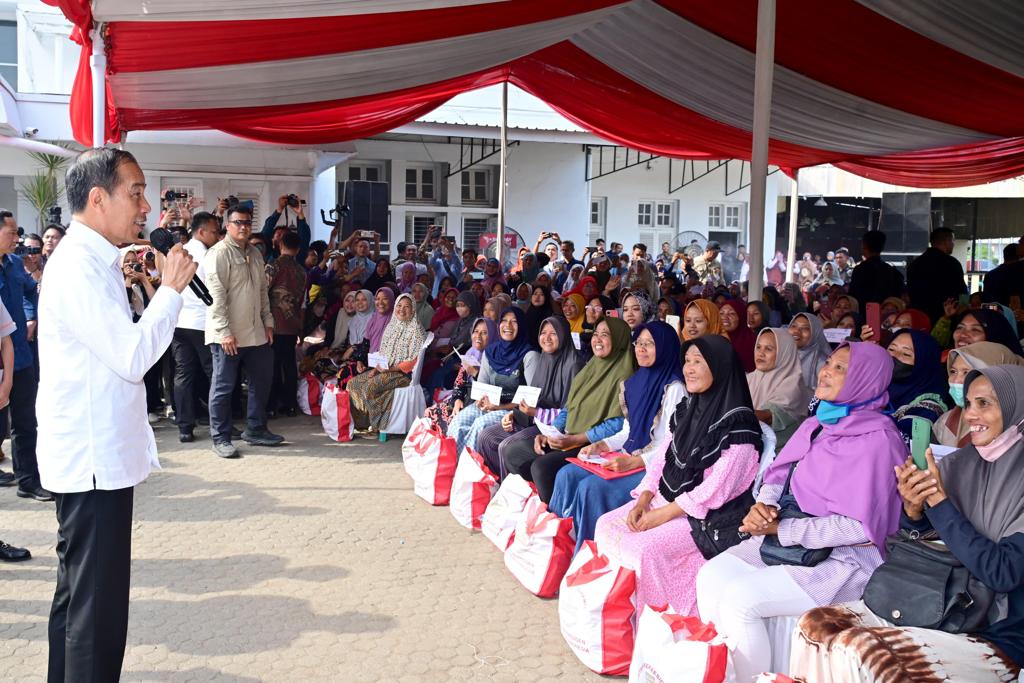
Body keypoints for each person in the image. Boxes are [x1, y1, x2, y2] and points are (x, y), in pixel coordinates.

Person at [37, 148, 197, 682]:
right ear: (97, 198)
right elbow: (132, 358)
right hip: (92, 462)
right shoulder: (78, 266)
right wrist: (170, 291)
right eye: (136, 192)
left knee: (79, 602)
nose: (146, 206)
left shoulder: (94, 261)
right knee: (96, 615)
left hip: (93, 460)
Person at [790, 364, 1024, 682]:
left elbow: (1003, 572)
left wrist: (939, 504)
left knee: (856, 649)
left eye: (985, 403)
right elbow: (918, 540)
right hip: (937, 598)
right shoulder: (960, 463)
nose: (971, 415)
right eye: (969, 403)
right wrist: (914, 511)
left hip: (996, 629)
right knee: (813, 626)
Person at [695, 342, 907, 683]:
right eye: (829, 363)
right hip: (788, 540)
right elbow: (778, 475)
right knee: (711, 576)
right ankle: (727, 672)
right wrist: (764, 507)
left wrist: (782, 529)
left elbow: (859, 529)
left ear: (865, 379)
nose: (826, 371)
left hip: (843, 560)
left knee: (741, 600)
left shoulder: (880, 441)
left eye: (841, 368)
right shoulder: (820, 423)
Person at [593, 335, 762, 615]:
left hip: (705, 518)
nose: (689, 368)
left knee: (643, 550)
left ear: (719, 368)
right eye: (687, 361)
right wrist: (643, 500)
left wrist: (660, 515)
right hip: (664, 501)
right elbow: (662, 458)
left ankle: (654, 620)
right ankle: (612, 615)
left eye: (698, 362)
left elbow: (714, 492)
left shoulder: (739, 428)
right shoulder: (688, 410)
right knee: (605, 525)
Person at [550, 321, 686, 553]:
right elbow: (627, 430)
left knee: (592, 488)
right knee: (566, 474)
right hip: (627, 455)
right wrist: (601, 445)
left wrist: (636, 461)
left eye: (649, 344)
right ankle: (558, 545)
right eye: (639, 343)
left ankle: (587, 553)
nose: (641, 348)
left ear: (665, 347)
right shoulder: (636, 382)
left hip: (654, 467)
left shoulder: (674, 388)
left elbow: (671, 443)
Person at [502, 317, 634, 502]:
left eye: (605, 335)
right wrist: (553, 433)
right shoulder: (590, 369)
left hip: (593, 443)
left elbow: (617, 424)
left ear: (619, 339)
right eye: (596, 334)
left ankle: (557, 518)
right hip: (568, 437)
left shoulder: (626, 376)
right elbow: (569, 406)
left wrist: (575, 439)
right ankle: (542, 505)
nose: (597, 339)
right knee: (513, 453)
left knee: (542, 467)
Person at [205, 204, 283, 459]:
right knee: (224, 387)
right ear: (227, 226)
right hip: (227, 334)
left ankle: (256, 428)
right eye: (238, 222)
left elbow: (262, 292)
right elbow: (216, 296)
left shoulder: (255, 253)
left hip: (256, 332)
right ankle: (220, 437)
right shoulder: (218, 253)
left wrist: (268, 321)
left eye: (247, 223)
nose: (243, 227)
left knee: (262, 380)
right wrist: (224, 331)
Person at [446, 307, 539, 455]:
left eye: (514, 322)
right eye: (504, 321)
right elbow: (482, 386)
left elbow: (530, 397)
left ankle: (470, 469)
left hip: (511, 410)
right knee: (458, 421)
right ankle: (452, 465)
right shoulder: (491, 352)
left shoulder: (529, 355)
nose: (508, 326)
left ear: (521, 326)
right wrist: (482, 401)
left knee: (480, 425)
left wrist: (499, 406)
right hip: (489, 405)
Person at [0, 209, 46, 500]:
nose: (17, 238)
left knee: (25, 422)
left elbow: (33, 291)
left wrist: (30, 317)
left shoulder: (16, 264)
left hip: (20, 355)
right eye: (11, 232)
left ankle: (28, 480)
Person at [171, 212, 221, 442]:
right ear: (201, 232)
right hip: (202, 323)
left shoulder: (178, 252)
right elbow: (217, 290)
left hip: (180, 322)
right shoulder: (208, 255)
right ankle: (220, 425)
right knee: (215, 375)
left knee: (184, 375)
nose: (217, 235)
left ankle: (185, 427)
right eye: (214, 231)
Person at [347, 293, 426, 432]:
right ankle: (362, 424)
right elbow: (384, 354)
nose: (402, 309)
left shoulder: (416, 330)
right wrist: (376, 369)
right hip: (385, 368)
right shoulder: (391, 326)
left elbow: (412, 363)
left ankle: (377, 426)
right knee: (353, 384)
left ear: (413, 309)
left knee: (369, 387)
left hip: (402, 375)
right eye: (399, 306)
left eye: (407, 307)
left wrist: (389, 370)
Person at [932, 341, 1022, 448]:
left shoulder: (1017, 429)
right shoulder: (945, 421)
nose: (957, 380)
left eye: (966, 372)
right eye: (953, 371)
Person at [424, 318, 494, 433]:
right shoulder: (471, 352)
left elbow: (493, 389)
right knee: (430, 412)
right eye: (476, 331)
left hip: (480, 402)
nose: (478, 336)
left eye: (484, 333)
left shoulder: (495, 358)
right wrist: (457, 399)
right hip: (464, 397)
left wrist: (476, 373)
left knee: (451, 420)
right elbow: (459, 381)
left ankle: (452, 449)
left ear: (492, 335)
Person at [265, 231, 307, 417]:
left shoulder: (273, 266)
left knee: (272, 365)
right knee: (289, 365)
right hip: (292, 323)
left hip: (272, 323)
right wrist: (300, 327)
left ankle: (271, 406)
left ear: (280, 245)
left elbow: (262, 292)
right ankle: (290, 405)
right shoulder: (302, 271)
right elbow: (303, 302)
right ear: (298, 249)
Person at [748, 328, 812, 448]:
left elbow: (768, 417)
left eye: (768, 349)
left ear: (784, 353)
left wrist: (734, 414)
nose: (760, 353)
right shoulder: (749, 378)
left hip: (776, 453)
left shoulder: (793, 386)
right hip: (749, 446)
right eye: (758, 347)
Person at [884, 329, 949, 442]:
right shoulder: (878, 388)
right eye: (891, 349)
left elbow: (896, 443)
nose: (894, 356)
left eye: (906, 354)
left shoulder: (928, 408)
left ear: (924, 363)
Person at [906, 228, 966, 325]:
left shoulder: (915, 264)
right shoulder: (951, 264)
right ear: (946, 241)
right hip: (946, 317)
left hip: (919, 318)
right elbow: (962, 292)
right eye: (952, 241)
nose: (953, 244)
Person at [848, 230, 905, 306]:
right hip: (887, 314)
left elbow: (853, 298)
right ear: (882, 248)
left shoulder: (859, 270)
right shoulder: (892, 272)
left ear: (864, 246)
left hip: (863, 314)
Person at [259, 194, 311, 264]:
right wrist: (279, 209)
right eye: (278, 234)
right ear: (272, 239)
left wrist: (300, 213)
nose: (281, 237)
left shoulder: (297, 255)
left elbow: (304, 237)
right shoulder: (267, 254)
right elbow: (265, 233)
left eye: (284, 236)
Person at [789, 312, 831, 390]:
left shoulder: (823, 362)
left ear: (815, 333)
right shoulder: (784, 354)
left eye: (805, 328)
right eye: (794, 326)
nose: (796, 331)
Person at [720, 299, 756, 372]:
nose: (725, 317)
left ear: (741, 317)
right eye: (721, 313)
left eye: (731, 314)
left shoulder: (752, 342)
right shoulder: (712, 338)